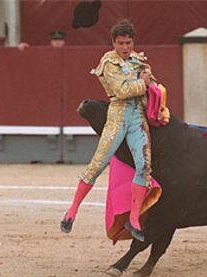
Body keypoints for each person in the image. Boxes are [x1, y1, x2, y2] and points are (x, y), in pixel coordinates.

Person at [60, 19, 154, 242]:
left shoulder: (139, 60)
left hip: (137, 117)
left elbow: (152, 79)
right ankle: (71, 211)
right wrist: (143, 83)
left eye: (128, 42)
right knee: (98, 164)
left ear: (133, 42)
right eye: (120, 43)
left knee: (144, 165)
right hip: (118, 116)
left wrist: (147, 80)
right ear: (113, 42)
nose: (125, 47)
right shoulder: (108, 62)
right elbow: (122, 91)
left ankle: (134, 220)